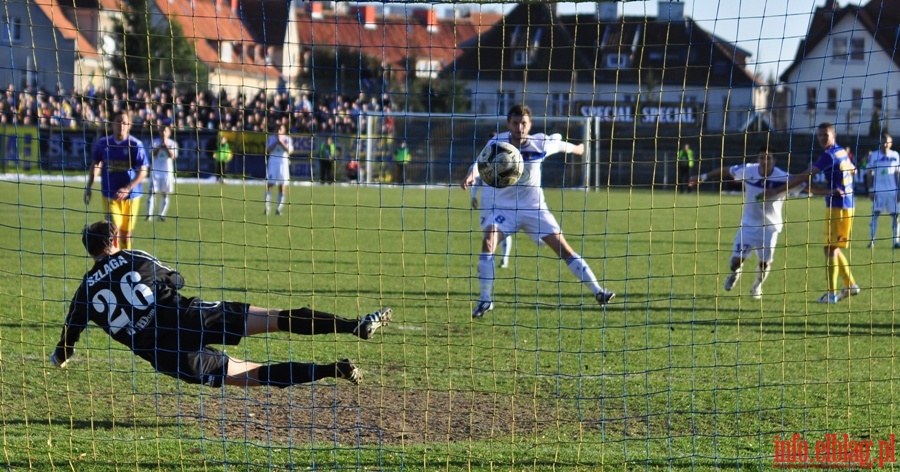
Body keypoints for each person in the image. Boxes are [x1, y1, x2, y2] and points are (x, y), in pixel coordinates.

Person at [49, 220, 393, 388]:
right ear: (113, 241)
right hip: (190, 316)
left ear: (89, 250)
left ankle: (331, 370)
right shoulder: (133, 256)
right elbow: (176, 279)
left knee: (252, 372)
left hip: (167, 353)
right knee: (274, 318)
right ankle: (353, 325)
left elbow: (69, 336)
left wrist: (62, 356)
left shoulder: (84, 293)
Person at [460, 105, 615, 318]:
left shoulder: (540, 142)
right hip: (504, 209)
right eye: (515, 123)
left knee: (564, 249)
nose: (519, 127)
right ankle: (485, 299)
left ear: (530, 125)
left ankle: (599, 291)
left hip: (535, 209)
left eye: (524, 123)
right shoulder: (497, 143)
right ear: (508, 124)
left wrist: (578, 149)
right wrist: (471, 174)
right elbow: (479, 163)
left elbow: (561, 145)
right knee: (488, 241)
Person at [690, 146, 804, 300]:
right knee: (736, 261)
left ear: (774, 160)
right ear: (758, 160)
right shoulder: (748, 170)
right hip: (748, 225)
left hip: (770, 227)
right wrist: (703, 176)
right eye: (762, 158)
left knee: (765, 263)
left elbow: (805, 185)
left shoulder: (783, 177)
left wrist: (829, 191)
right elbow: (726, 170)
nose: (765, 161)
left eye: (768, 158)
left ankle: (757, 286)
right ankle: (736, 273)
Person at [762, 122, 859, 303]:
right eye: (820, 135)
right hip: (846, 204)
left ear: (833, 135)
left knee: (829, 249)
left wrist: (778, 190)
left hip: (838, 206)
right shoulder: (841, 151)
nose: (822, 138)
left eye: (825, 135)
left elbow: (806, 175)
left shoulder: (829, 155)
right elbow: (854, 169)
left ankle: (831, 294)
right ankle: (850, 285)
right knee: (833, 248)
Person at [84, 110, 148, 250]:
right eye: (118, 122)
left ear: (129, 125)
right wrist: (88, 186)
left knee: (126, 235)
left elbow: (143, 171)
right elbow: (96, 164)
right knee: (113, 232)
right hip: (110, 195)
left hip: (132, 196)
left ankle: (127, 262)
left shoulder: (135, 145)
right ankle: (116, 263)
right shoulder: (103, 144)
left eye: (124, 122)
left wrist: (127, 188)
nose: (121, 125)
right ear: (112, 124)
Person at [864, 132, 900, 248]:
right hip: (878, 190)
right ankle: (872, 240)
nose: (885, 144)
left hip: (892, 191)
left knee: (895, 216)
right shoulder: (874, 155)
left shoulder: (895, 155)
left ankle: (896, 241)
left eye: (887, 142)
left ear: (891, 143)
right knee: (875, 214)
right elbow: (869, 173)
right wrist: (870, 189)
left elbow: (898, 174)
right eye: (883, 142)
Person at [470, 175, 513, 269]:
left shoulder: (508, 161)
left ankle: (504, 258)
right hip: (486, 201)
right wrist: (473, 195)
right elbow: (476, 178)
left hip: (502, 200)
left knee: (503, 228)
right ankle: (489, 258)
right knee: (487, 231)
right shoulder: (483, 161)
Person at [146, 124, 178, 222]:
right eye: (162, 131)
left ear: (169, 133)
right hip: (155, 171)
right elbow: (152, 154)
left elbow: (172, 156)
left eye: (165, 131)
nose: (163, 133)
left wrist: (166, 146)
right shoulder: (154, 142)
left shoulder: (173, 143)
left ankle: (161, 215)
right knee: (151, 193)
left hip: (167, 173)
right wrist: (160, 146)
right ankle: (149, 215)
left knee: (165, 194)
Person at [265, 122, 293, 216]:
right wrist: (276, 142)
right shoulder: (271, 138)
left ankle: (278, 208)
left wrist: (281, 143)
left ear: (284, 130)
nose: (278, 131)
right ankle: (267, 207)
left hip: (283, 163)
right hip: (273, 163)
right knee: (270, 185)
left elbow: (289, 151)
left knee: (282, 186)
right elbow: (268, 150)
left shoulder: (287, 139)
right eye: (277, 130)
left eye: (280, 129)